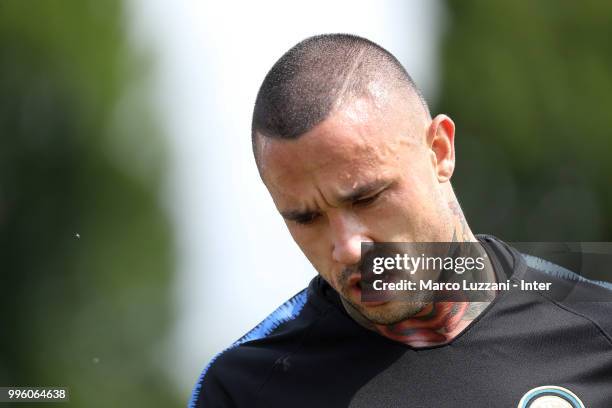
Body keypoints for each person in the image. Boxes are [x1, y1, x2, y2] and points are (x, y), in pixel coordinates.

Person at [189, 34, 612, 408]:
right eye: (306, 218)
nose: (348, 248)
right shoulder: (245, 390)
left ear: (440, 151)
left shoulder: (599, 334)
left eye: (367, 197)